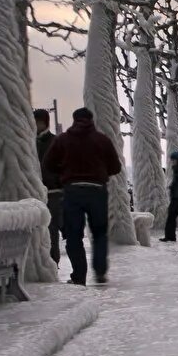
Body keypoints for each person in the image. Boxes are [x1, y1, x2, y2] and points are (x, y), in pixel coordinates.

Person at [42, 106, 122, 286]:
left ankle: (79, 276)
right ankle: (100, 271)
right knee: (100, 233)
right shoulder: (102, 140)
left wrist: (63, 173)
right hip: (97, 190)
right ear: (91, 120)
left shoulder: (63, 140)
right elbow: (116, 167)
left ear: (74, 119)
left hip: (72, 191)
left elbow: (48, 164)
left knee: (73, 235)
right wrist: (101, 172)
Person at [34, 108, 62, 265]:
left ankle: (53, 262)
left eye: (39, 122)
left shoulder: (54, 141)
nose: (37, 125)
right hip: (36, 192)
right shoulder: (30, 141)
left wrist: (58, 183)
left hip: (53, 192)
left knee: (51, 230)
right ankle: (43, 262)